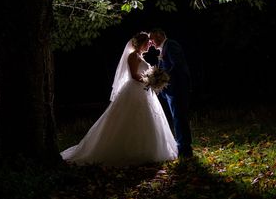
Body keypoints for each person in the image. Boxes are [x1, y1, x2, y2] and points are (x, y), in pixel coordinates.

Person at [61, 32, 178, 166]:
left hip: (143, 90)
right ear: (141, 43)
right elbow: (134, 75)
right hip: (135, 90)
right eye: (147, 43)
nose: (149, 45)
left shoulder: (139, 56)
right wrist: (149, 81)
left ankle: (147, 150)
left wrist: (151, 80)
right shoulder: (133, 56)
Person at [148, 28, 193, 158]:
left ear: (160, 35)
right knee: (176, 118)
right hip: (170, 90)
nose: (151, 42)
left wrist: (161, 77)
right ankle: (182, 147)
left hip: (178, 88)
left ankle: (185, 150)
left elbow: (177, 65)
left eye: (152, 38)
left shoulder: (171, 45)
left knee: (179, 118)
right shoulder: (163, 48)